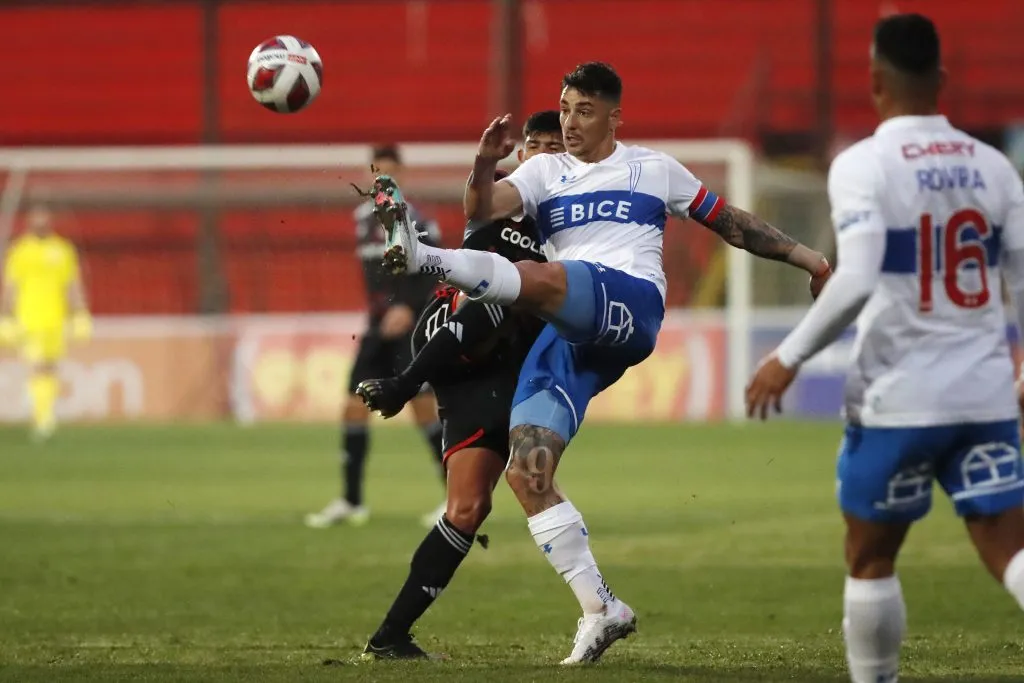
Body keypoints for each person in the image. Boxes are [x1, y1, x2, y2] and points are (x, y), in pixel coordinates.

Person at [371, 62, 832, 664]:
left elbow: (732, 225)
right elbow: (484, 208)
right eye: (563, 108)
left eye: (583, 111)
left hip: (629, 302)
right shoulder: (544, 170)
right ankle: (601, 607)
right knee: (526, 470)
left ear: (615, 116)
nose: (569, 122)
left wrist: (812, 261)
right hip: (570, 334)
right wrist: (484, 163)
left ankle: (422, 256)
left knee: (549, 278)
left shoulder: (653, 168)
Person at [745, 14, 1024, 683]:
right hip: (984, 396)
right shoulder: (994, 167)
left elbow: (859, 277)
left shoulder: (863, 165)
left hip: (897, 397)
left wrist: (790, 356)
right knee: (1010, 550)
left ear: (874, 82)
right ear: (942, 81)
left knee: (870, 555)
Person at [352, 111, 564, 661]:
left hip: (499, 371)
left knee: (467, 509)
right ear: (521, 156)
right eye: (533, 145)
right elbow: (476, 205)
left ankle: (390, 637)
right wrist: (486, 159)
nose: (540, 153)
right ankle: (403, 382)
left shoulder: (572, 221)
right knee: (500, 292)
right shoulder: (505, 200)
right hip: (454, 327)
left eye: (552, 145)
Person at [305, 145, 446, 529]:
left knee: (422, 409)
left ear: (402, 174)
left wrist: (407, 306)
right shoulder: (361, 218)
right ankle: (352, 501)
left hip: (409, 326)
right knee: (353, 405)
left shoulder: (417, 218)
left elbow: (435, 268)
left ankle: (457, 498)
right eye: (378, 172)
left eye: (390, 172)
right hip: (377, 326)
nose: (383, 178)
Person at [0, 206, 92, 440]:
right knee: (37, 364)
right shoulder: (20, 251)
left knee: (50, 366)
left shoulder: (62, 250)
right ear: (29, 222)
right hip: (28, 318)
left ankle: (45, 414)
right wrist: (6, 316)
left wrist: (80, 313)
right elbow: (11, 287)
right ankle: (42, 418)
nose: (39, 223)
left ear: (50, 221)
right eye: (35, 219)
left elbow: (72, 285)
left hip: (55, 318)